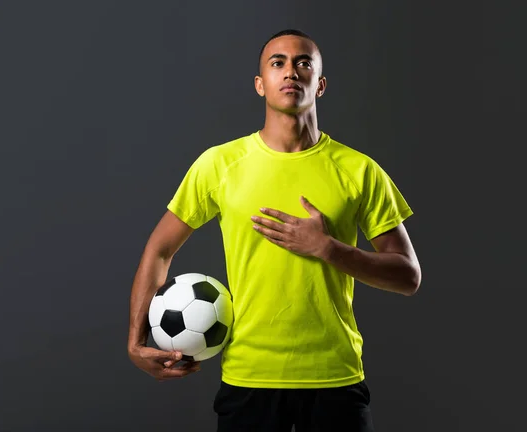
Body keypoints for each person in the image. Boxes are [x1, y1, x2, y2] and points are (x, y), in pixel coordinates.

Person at [128, 29, 422, 432]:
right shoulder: (220, 164)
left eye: (303, 63)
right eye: (277, 63)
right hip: (249, 378)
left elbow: (408, 277)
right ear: (260, 84)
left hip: (335, 378)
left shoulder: (359, 170)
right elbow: (159, 249)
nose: (290, 72)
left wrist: (329, 249)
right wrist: (136, 340)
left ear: (319, 85)